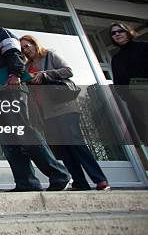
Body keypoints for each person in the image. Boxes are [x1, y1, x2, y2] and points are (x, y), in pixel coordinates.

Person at [0, 17, 71, 192]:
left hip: (10, 91)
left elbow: (15, 53)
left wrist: (15, 73)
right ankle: (26, 183)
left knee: (24, 132)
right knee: (9, 140)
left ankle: (59, 175)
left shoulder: (0, 34)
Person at [20, 35, 110, 191]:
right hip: (46, 113)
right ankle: (80, 182)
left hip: (64, 107)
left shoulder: (49, 55)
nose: (25, 50)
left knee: (75, 144)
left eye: (27, 46)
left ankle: (100, 179)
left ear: (35, 44)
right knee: (63, 149)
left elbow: (68, 71)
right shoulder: (27, 67)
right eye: (22, 48)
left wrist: (44, 75)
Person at [110, 22, 148, 143]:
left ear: (128, 32)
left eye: (120, 31)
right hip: (135, 101)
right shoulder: (116, 59)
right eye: (113, 33)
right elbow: (118, 84)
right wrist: (128, 96)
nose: (117, 34)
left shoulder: (144, 47)